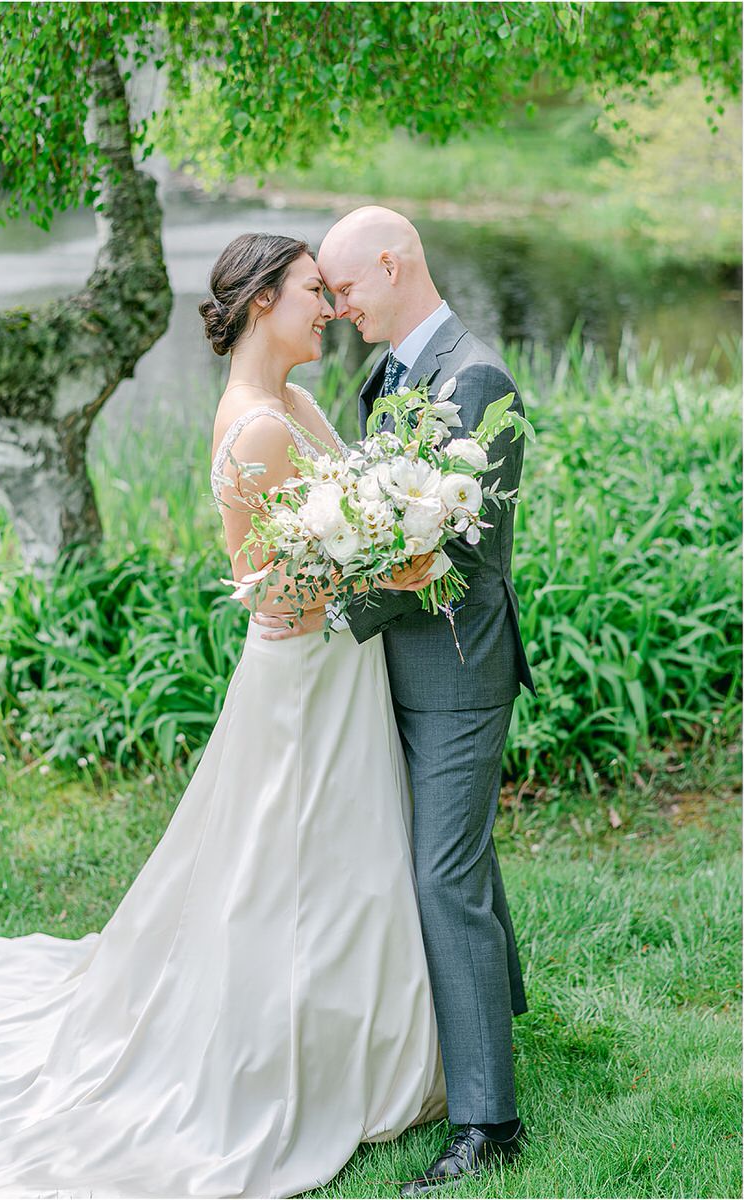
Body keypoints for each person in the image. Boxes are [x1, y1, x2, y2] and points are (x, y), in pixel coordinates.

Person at [0, 233, 448, 1199]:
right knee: (291, 860)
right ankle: (293, 1056)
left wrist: (399, 525)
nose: (330, 307)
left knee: (346, 852)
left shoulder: (297, 403)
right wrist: (395, 560)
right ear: (263, 302)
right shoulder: (257, 425)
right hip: (303, 675)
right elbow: (270, 589)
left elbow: (335, 534)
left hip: (336, 668)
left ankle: (369, 1040)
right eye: (313, 291)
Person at [258, 207, 537, 1196]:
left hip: (457, 674)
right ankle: (498, 1014)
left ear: (394, 260)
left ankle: (487, 1127)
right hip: (405, 669)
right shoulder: (390, 376)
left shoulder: (475, 379)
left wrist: (333, 611)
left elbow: (463, 550)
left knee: (440, 877)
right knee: (454, 857)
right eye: (323, 295)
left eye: (346, 288)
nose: (338, 309)